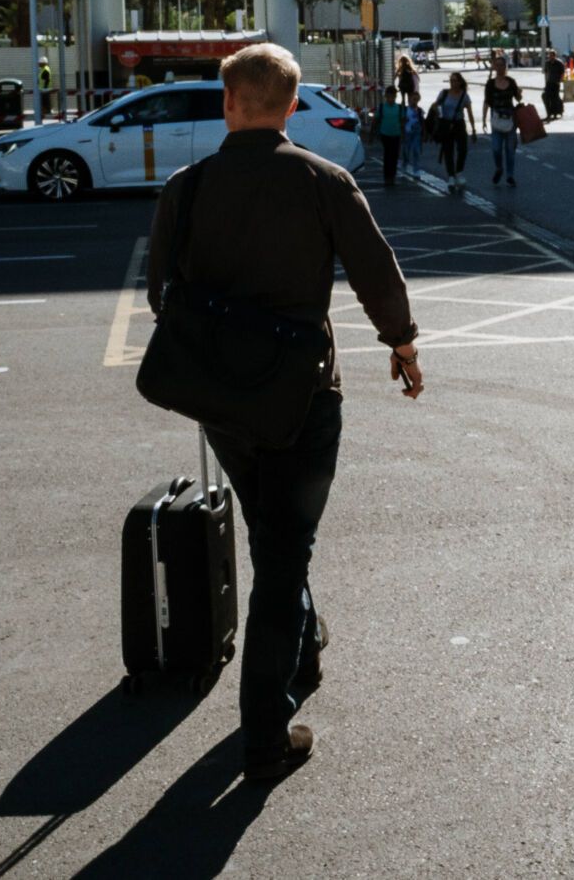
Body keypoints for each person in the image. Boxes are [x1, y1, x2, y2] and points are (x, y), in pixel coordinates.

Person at [145, 42, 422, 782]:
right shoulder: (323, 180)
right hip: (302, 395)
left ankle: (302, 648)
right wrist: (402, 344)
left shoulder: (188, 186)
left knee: (274, 535)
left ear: (228, 102)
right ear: (293, 106)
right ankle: (265, 735)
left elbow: (158, 295)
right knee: (284, 550)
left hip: (222, 398)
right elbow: (376, 272)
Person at [484, 60, 523, 187]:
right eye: (498, 65)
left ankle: (510, 175)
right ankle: (499, 168)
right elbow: (487, 102)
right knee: (496, 148)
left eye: (502, 65)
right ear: (495, 67)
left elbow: (518, 99)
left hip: (510, 118)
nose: (500, 67)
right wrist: (484, 119)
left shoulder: (511, 81)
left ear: (506, 67)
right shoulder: (490, 84)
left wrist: (519, 93)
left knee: (510, 150)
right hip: (496, 118)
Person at [434, 72, 474, 191]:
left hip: (459, 123)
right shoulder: (444, 93)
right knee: (448, 150)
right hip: (446, 123)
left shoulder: (464, 96)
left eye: (455, 80)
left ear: (460, 82)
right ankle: (451, 176)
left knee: (463, 149)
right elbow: (435, 106)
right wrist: (439, 114)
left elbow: (470, 113)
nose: (453, 83)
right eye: (451, 81)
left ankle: (459, 172)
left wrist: (474, 129)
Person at [374, 85, 403, 189]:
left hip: (396, 134)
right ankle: (387, 177)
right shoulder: (382, 107)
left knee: (394, 156)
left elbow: (402, 121)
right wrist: (372, 135)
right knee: (387, 156)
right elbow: (376, 120)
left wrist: (403, 135)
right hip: (385, 134)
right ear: (386, 96)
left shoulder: (399, 108)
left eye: (393, 96)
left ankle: (392, 177)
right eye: (389, 96)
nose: (391, 99)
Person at [400, 94, 425, 176]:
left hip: (416, 133)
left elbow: (422, 121)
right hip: (407, 132)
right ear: (410, 99)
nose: (415, 101)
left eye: (416, 100)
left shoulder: (420, 110)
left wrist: (424, 133)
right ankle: (404, 164)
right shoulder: (405, 110)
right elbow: (401, 120)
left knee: (416, 150)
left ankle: (416, 169)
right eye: (413, 99)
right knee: (406, 150)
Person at [542, 49, 566, 122]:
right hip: (549, 83)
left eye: (552, 55)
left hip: (556, 83)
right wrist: (546, 82)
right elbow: (546, 73)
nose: (550, 56)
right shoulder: (547, 63)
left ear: (555, 56)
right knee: (546, 97)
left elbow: (562, 73)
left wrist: (560, 81)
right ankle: (549, 113)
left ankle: (556, 113)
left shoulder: (559, 63)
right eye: (550, 55)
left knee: (554, 98)